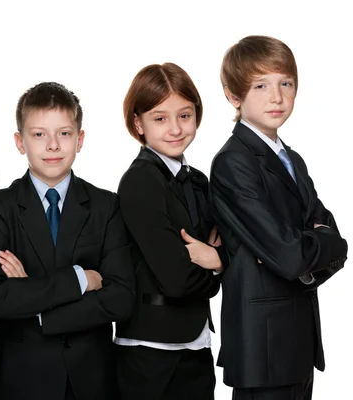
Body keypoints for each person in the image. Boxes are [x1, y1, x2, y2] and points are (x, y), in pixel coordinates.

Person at [210, 35, 348, 400]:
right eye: (260, 86)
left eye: (286, 83)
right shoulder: (233, 162)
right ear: (233, 96)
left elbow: (338, 244)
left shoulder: (293, 159)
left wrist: (314, 245)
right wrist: (314, 244)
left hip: (297, 341)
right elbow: (290, 255)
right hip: (264, 345)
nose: (277, 97)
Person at [0, 81, 135, 400]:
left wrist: (35, 302)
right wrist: (80, 279)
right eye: (39, 134)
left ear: (80, 139)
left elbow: (120, 297)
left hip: (92, 380)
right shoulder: (0, 207)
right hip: (22, 380)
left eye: (63, 133)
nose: (52, 145)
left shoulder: (106, 206)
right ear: (20, 142)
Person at [114, 63, 224, 400]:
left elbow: (226, 249)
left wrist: (215, 259)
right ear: (138, 123)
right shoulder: (141, 180)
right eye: (160, 118)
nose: (175, 129)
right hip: (150, 351)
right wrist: (219, 267)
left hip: (196, 344)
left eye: (185, 115)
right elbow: (176, 279)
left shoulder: (199, 181)